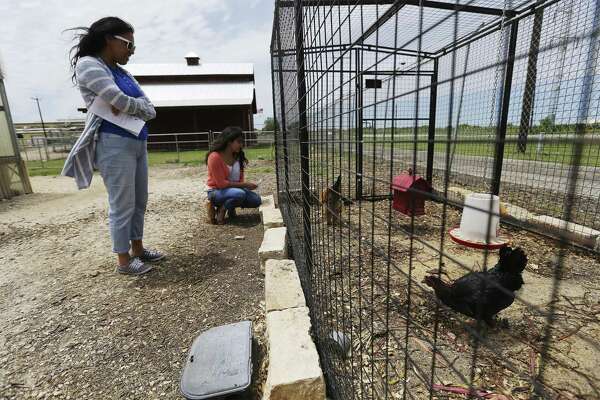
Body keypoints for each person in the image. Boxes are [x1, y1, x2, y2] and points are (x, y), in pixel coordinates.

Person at [62, 17, 164, 275]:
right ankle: (123, 261)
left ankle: (138, 250)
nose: (131, 52)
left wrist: (131, 105)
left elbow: (149, 109)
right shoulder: (89, 65)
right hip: (113, 142)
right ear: (110, 39)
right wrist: (133, 105)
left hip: (137, 139)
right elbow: (118, 99)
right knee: (122, 203)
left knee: (140, 200)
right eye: (128, 45)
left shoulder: (122, 72)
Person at [205, 127, 262, 224]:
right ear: (229, 142)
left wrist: (246, 185)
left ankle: (229, 206)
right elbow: (221, 184)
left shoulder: (238, 156)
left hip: (233, 190)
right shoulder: (214, 157)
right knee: (240, 194)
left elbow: (240, 179)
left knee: (256, 200)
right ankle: (222, 209)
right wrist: (245, 185)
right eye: (238, 142)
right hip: (216, 191)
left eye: (242, 142)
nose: (241, 145)